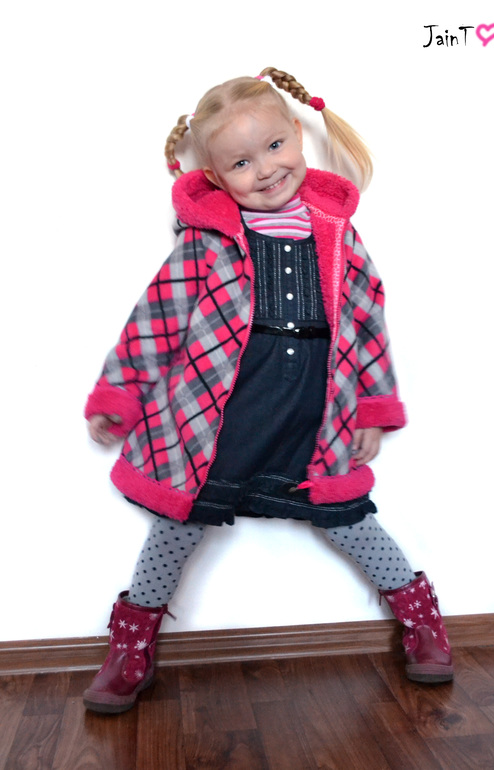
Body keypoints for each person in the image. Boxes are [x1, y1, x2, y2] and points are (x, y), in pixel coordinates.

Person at [83, 67, 453, 714]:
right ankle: (130, 645)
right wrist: (120, 396)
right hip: (225, 412)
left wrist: (370, 406)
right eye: (242, 162)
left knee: (349, 519)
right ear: (217, 177)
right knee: (176, 524)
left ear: (298, 137)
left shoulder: (338, 234)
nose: (266, 169)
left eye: (275, 146)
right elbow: (157, 318)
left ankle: (422, 619)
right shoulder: (205, 242)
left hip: (314, 408)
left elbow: (366, 318)